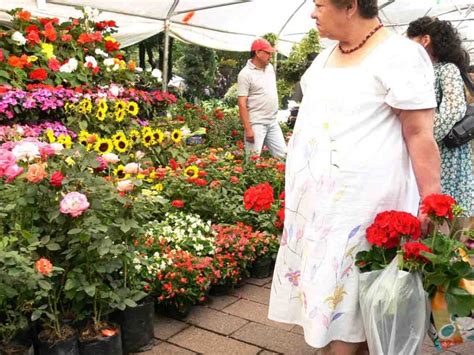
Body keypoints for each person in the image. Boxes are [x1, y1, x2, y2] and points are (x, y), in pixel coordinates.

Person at [268, 1, 441, 354]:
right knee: (331, 303)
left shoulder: (400, 55)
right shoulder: (324, 58)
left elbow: (419, 133)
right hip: (320, 212)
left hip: (364, 209)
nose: (312, 13)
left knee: (357, 304)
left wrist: (431, 202)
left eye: (319, 5)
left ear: (349, 6)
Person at [407, 17, 474, 215]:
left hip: (445, 153)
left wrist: (424, 138)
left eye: (411, 39)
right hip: (428, 149)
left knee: (446, 209)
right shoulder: (423, 70)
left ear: (425, 40)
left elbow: (454, 109)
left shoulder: (446, 69)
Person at [237, 38, 286, 158]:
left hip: (272, 122)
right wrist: (248, 129)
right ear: (258, 53)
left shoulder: (269, 68)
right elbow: (242, 103)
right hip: (256, 124)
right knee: (253, 161)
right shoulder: (245, 74)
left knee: (284, 156)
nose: (271, 56)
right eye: (268, 53)